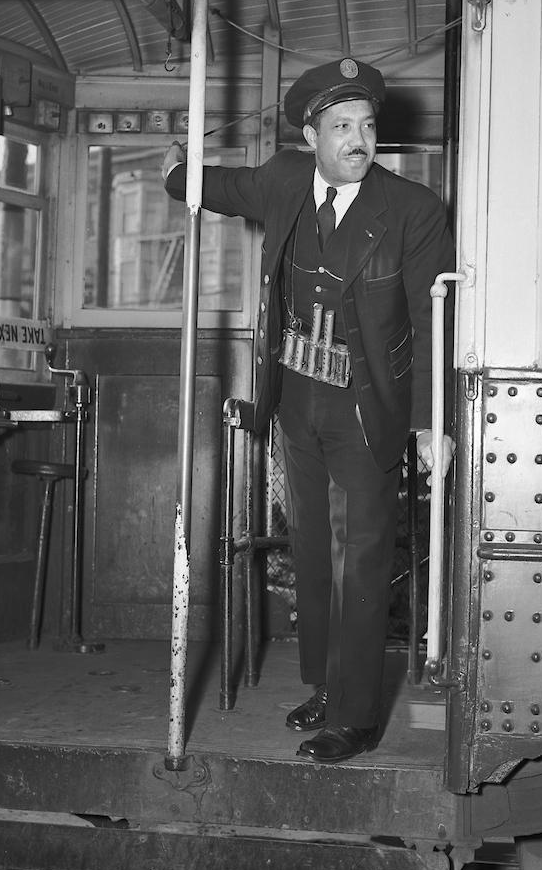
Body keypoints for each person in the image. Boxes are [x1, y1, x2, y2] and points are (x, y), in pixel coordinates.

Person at [163, 57, 455, 763]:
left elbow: (430, 320)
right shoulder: (285, 180)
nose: (360, 139)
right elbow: (214, 188)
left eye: (368, 125)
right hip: (296, 403)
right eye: (343, 126)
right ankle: (327, 684)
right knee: (313, 553)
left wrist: (427, 423)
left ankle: (356, 716)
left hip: (366, 410)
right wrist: (177, 168)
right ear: (311, 135)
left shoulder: (414, 211)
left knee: (362, 561)